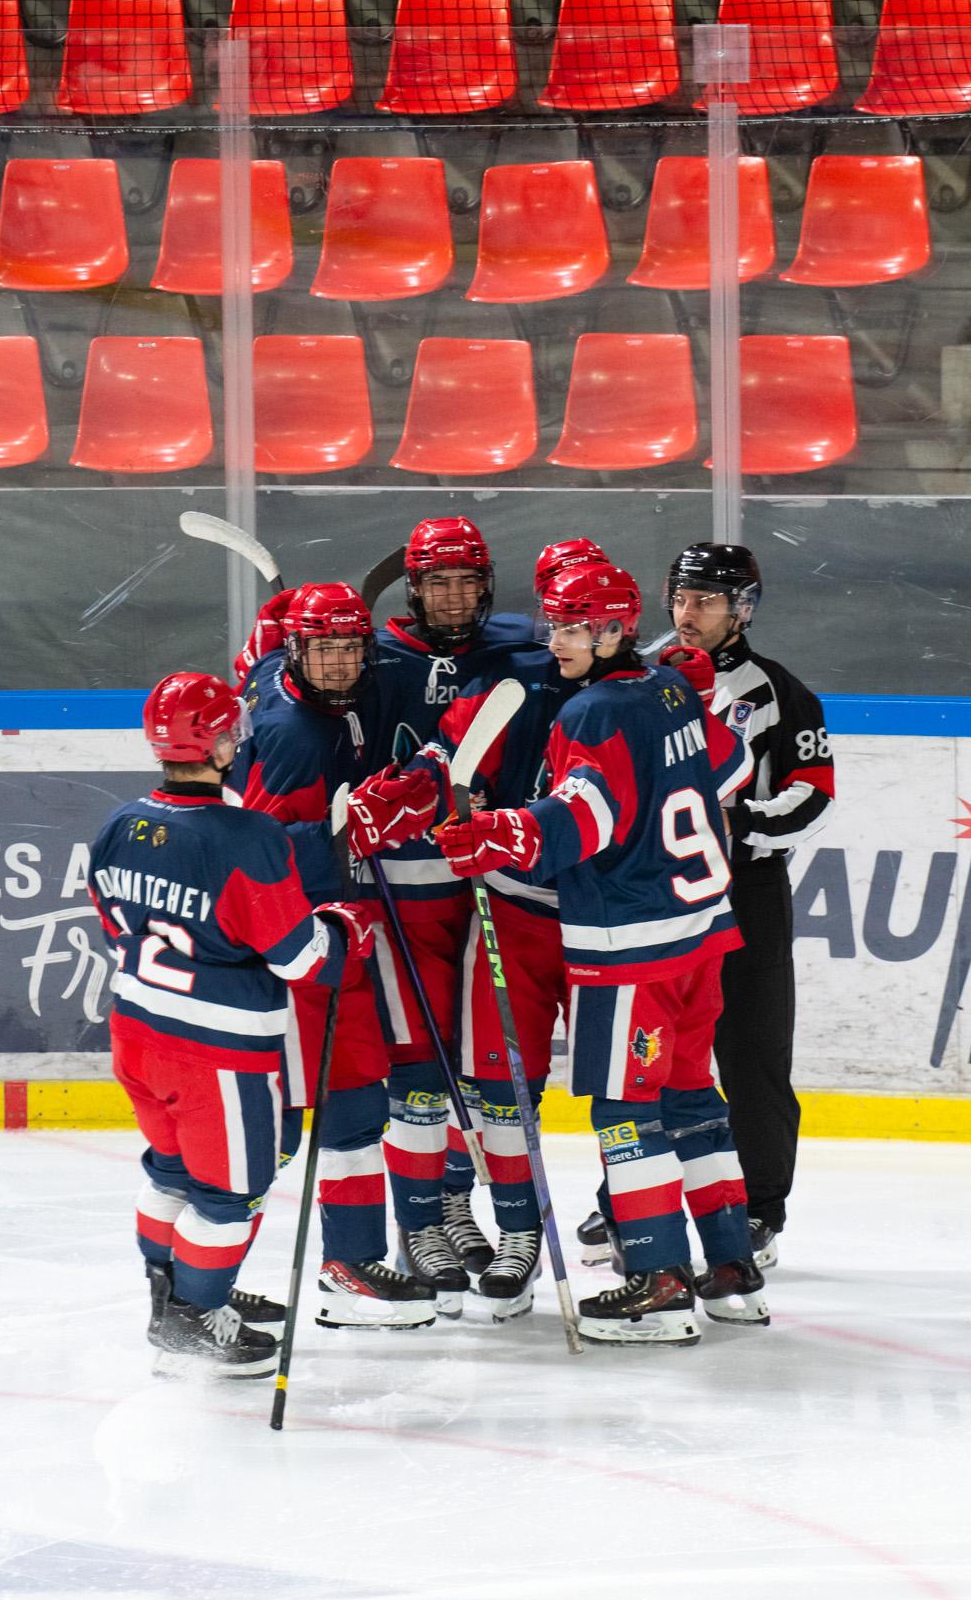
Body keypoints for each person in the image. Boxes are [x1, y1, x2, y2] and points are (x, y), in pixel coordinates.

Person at [438, 560, 767, 1346]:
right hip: (700, 935)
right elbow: (734, 766)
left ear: (617, 629)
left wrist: (495, 835)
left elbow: (582, 821)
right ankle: (728, 1267)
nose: (560, 640)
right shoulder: (670, 688)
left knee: (625, 1110)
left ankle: (657, 1283)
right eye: (555, 624)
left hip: (632, 948)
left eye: (577, 627)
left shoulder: (590, 712)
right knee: (690, 1099)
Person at [88, 671, 373, 1378]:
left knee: (171, 1171)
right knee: (227, 1195)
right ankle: (194, 1314)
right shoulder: (248, 837)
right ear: (218, 744)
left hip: (137, 1031)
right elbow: (301, 960)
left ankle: (172, 1292)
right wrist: (343, 931)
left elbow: (111, 922)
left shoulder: (119, 823)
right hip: (215, 1053)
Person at [349, 538, 602, 1318]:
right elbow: (321, 713)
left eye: (467, 583)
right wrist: (267, 669)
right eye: (438, 584)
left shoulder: (528, 649)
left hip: (500, 893)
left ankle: (511, 1224)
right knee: (422, 1070)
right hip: (410, 892)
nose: (454, 598)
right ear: (414, 589)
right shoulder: (375, 657)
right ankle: (439, 1216)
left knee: (496, 1074)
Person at [232, 584, 437, 1330]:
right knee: (280, 1128)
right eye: (324, 649)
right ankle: (197, 1279)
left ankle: (349, 1265)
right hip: (296, 951)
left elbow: (254, 667)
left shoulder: (282, 678)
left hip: (339, 944)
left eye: (352, 647)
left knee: (353, 1107)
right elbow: (257, 853)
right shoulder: (295, 735)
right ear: (298, 652)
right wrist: (340, 831)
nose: (343, 663)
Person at [665, 542, 834, 1267]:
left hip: (745, 893)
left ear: (742, 609)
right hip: (663, 894)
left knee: (752, 1053)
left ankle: (759, 1206)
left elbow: (814, 796)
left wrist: (740, 825)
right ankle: (633, 1195)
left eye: (705, 599)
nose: (688, 612)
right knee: (659, 1052)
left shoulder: (779, 692)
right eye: (681, 596)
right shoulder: (647, 683)